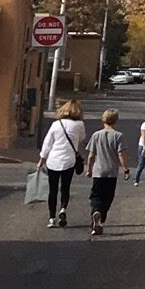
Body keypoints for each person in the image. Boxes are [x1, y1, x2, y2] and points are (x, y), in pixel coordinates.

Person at [37, 97, 86, 229]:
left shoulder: (56, 124)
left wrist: (42, 158)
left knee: (52, 190)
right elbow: (82, 138)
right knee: (65, 187)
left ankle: (51, 218)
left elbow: (48, 142)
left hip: (53, 160)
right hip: (69, 160)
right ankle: (63, 209)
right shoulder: (79, 125)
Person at [84, 109, 126, 235]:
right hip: (111, 171)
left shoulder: (96, 135)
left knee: (96, 195)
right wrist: (126, 168)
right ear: (116, 120)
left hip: (98, 171)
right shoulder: (119, 136)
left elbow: (91, 155)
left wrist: (89, 169)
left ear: (103, 119)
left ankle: (96, 212)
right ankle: (101, 218)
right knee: (108, 197)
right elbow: (121, 153)